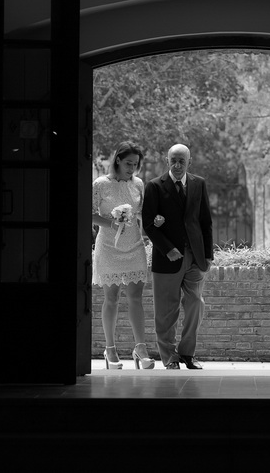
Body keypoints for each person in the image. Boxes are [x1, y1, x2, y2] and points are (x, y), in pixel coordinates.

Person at [142, 143, 214, 370]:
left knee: (196, 303)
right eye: (174, 160)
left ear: (189, 162)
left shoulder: (198, 184)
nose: (178, 165)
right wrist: (167, 248)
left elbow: (205, 222)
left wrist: (208, 255)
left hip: (195, 257)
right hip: (167, 258)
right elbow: (149, 224)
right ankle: (169, 357)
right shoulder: (154, 186)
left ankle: (187, 353)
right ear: (167, 161)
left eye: (182, 160)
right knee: (166, 311)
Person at [91, 141, 155, 370]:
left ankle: (141, 348)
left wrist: (152, 226)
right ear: (117, 159)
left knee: (136, 297)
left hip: (134, 245)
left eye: (135, 164)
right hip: (108, 246)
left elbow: (142, 213)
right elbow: (88, 214)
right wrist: (111, 222)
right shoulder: (100, 184)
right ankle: (110, 350)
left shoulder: (138, 184)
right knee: (112, 297)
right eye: (128, 163)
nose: (132, 168)